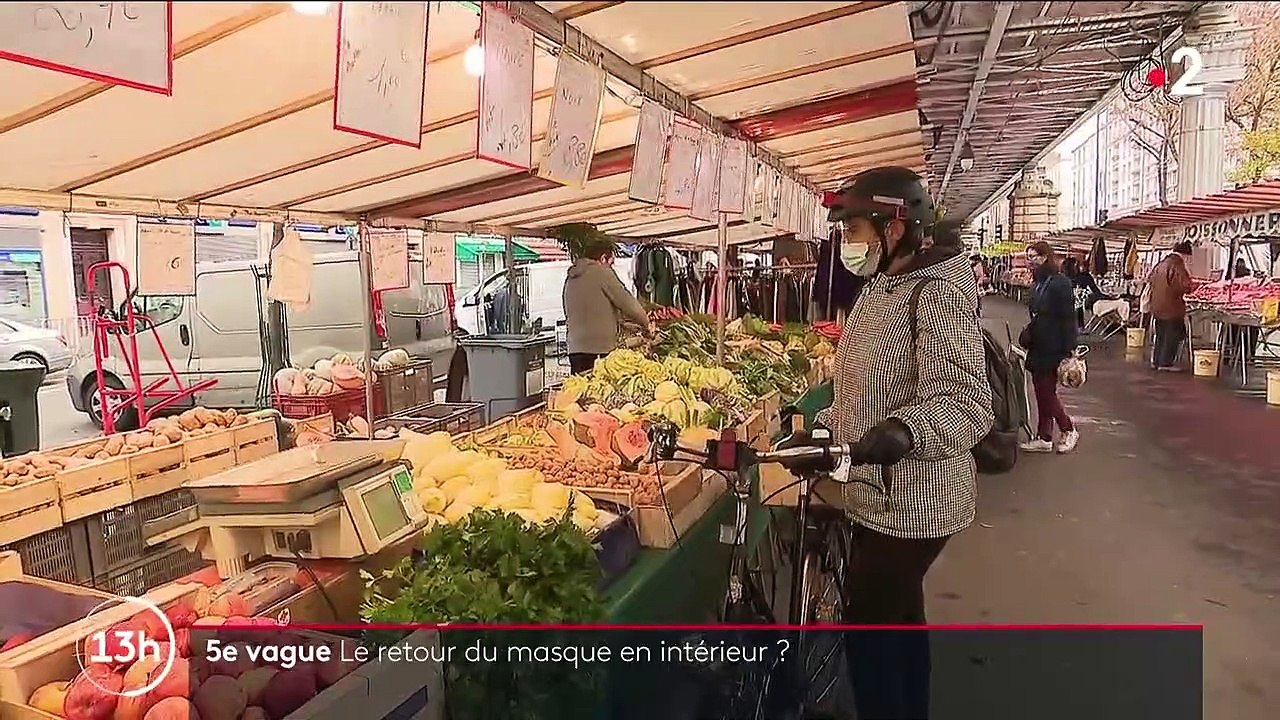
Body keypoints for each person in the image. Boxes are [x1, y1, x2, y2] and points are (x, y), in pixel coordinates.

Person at [818, 166, 993, 720]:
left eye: (855, 229)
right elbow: (865, 384)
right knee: (900, 619)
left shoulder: (937, 289)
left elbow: (966, 401)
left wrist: (907, 430)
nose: (849, 243)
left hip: (915, 498)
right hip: (874, 492)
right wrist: (824, 423)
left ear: (895, 228)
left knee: (870, 632)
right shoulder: (884, 284)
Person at [1019, 241, 1079, 454]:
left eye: (1034, 256)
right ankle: (1044, 436)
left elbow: (1068, 317)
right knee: (1040, 390)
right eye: (1029, 256)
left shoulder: (1060, 283)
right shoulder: (1037, 283)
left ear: (1046, 257)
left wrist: (1071, 347)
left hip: (1054, 346)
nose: (1031, 260)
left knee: (1046, 392)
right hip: (1038, 343)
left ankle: (1068, 428)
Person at [562, 238, 652, 376]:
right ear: (604, 258)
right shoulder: (602, 272)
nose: (612, 267)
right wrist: (646, 324)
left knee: (580, 390)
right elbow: (628, 303)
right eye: (612, 262)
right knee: (600, 391)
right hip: (600, 348)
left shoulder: (570, 278)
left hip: (575, 348)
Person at [1148, 241, 1194, 372]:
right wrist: (1193, 285)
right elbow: (1185, 285)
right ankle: (1165, 363)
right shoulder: (1177, 265)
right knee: (1172, 335)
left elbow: (1150, 280)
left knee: (1161, 335)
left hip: (1157, 306)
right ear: (1185, 254)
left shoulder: (1161, 264)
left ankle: (1156, 361)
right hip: (1171, 307)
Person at [1062, 256, 1107, 330]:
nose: (1081, 266)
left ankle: (1079, 327)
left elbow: (1095, 291)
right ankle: (1079, 327)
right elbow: (1095, 291)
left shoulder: (1063, 278)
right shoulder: (1085, 277)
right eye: (1078, 264)